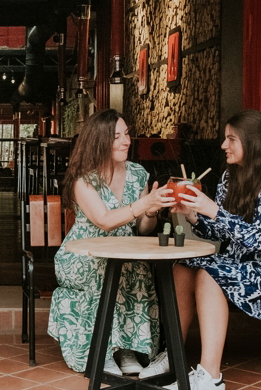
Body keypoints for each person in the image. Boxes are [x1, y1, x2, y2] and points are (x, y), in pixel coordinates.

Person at [148, 109, 261, 390]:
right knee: (182, 266)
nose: (223, 145)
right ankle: (174, 356)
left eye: (231, 139)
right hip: (242, 263)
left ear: (253, 142)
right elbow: (218, 235)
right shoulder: (232, 176)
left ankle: (211, 377)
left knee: (209, 273)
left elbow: (260, 240)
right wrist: (194, 215)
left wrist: (213, 210)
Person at [47, 109, 176, 374]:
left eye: (127, 134)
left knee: (138, 269)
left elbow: (142, 229)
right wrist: (144, 203)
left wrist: (151, 211)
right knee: (103, 269)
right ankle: (103, 351)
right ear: (100, 140)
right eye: (117, 136)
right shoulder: (84, 179)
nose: (126, 141)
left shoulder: (138, 173)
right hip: (83, 253)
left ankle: (128, 349)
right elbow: (104, 221)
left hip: (125, 248)